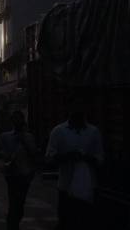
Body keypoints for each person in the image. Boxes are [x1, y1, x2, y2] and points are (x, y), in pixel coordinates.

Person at [45, 96, 104, 230]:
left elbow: (100, 158)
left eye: (81, 107)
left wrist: (87, 158)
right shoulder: (58, 131)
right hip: (66, 187)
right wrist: (68, 157)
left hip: (88, 187)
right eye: (75, 107)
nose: (78, 110)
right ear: (68, 109)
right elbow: (49, 158)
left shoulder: (93, 132)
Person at [0, 110, 38, 230]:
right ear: (12, 122)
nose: (17, 122)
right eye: (15, 120)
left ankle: (14, 221)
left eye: (19, 119)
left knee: (20, 203)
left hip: (25, 174)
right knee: (14, 202)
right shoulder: (5, 137)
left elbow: (34, 154)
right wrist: (4, 160)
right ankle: (12, 225)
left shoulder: (29, 137)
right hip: (11, 174)